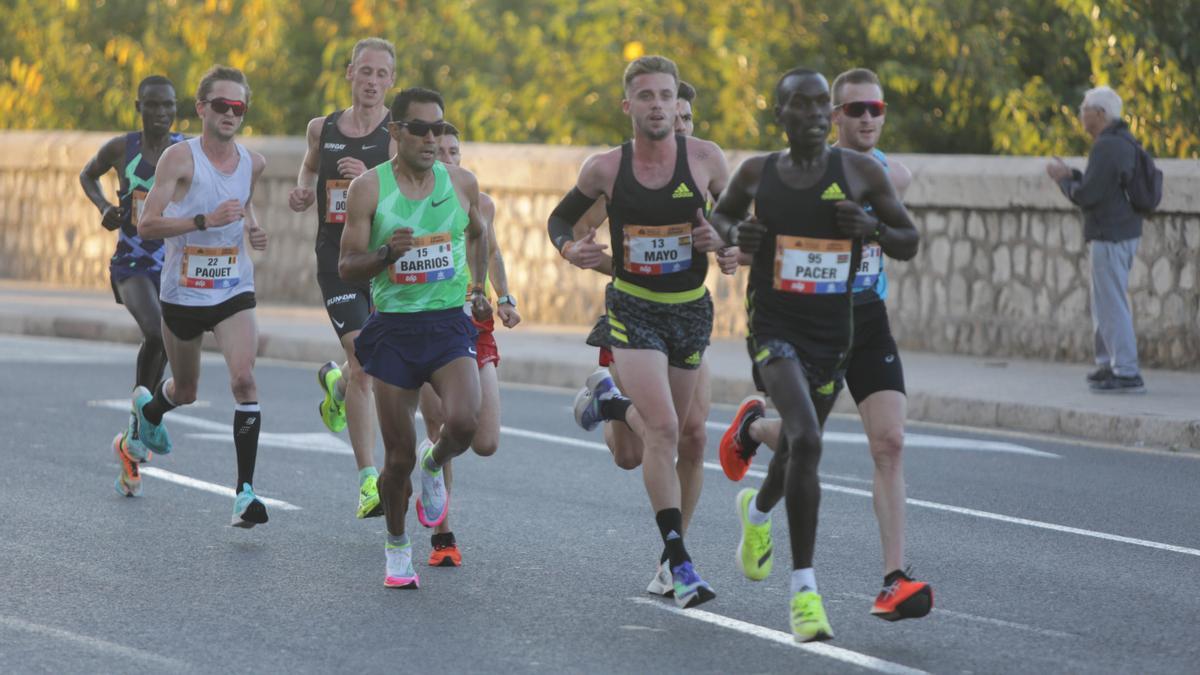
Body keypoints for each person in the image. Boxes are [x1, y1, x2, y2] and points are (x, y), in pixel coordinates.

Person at [717, 68, 933, 623]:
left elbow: (907, 238)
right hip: (779, 325)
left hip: (854, 325)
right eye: (851, 109)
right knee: (807, 437)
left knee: (887, 441)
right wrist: (739, 237)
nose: (864, 118)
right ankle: (805, 591)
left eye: (875, 109)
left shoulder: (871, 175)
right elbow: (721, 222)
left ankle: (891, 578)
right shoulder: (761, 173)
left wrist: (871, 229)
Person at [548, 56, 729, 609]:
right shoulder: (607, 169)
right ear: (628, 105)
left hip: (690, 310)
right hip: (633, 309)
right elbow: (562, 221)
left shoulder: (706, 160)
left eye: (667, 96)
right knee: (666, 429)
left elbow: (742, 222)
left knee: (688, 437)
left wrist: (722, 241)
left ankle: (607, 401)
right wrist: (571, 248)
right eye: (646, 96)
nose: (659, 106)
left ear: (679, 103)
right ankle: (680, 562)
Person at [339, 87, 490, 588]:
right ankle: (397, 546)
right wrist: (384, 256)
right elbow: (346, 266)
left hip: (447, 324)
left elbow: (479, 234)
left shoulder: (462, 183)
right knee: (397, 456)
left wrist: (478, 287)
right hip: (396, 330)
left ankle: (437, 459)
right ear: (396, 132)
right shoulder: (369, 189)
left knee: (465, 423)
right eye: (421, 129)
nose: (432, 138)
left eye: (440, 129)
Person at [134, 65, 270, 527]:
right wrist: (202, 222)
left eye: (239, 107)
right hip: (183, 296)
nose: (231, 114)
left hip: (234, 289)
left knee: (244, 380)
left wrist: (251, 224)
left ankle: (245, 494)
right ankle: (149, 411)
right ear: (201, 108)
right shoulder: (180, 160)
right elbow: (146, 224)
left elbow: (245, 196)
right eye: (221, 105)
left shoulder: (254, 161)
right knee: (186, 391)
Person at [289, 37, 396, 519]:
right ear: (350, 73)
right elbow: (310, 166)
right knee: (363, 359)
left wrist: (371, 173)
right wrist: (300, 191)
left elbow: (410, 193)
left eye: (382, 74)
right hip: (337, 261)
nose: (372, 82)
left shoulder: (399, 134)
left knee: (364, 367)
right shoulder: (323, 128)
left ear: (391, 81)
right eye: (365, 71)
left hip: (383, 262)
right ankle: (368, 482)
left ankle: (335, 386)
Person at [418, 123, 521, 567]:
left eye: (454, 151)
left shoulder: (478, 202)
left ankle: (432, 460)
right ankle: (443, 538)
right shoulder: (410, 203)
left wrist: (505, 297)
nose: (448, 158)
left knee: (486, 441)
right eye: (438, 151)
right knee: (441, 421)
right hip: (422, 325)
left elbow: (492, 250)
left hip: (472, 326)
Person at [79, 75, 185, 497]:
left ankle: (133, 435)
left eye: (169, 106)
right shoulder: (123, 148)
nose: (162, 113)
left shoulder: (185, 149)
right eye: (153, 106)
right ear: (138, 106)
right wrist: (105, 206)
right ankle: (144, 419)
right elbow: (87, 175)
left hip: (173, 263)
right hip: (131, 264)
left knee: (171, 343)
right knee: (156, 331)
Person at [1046, 85, 1145, 393]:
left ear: (1100, 114)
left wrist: (1063, 181)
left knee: (1111, 303)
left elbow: (1088, 196)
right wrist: (1074, 175)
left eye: (1084, 109)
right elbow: (1101, 184)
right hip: (1122, 231)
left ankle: (1126, 371)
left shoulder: (1106, 147)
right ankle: (1108, 363)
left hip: (1109, 234)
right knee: (1104, 303)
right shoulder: (1120, 141)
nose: (1080, 115)